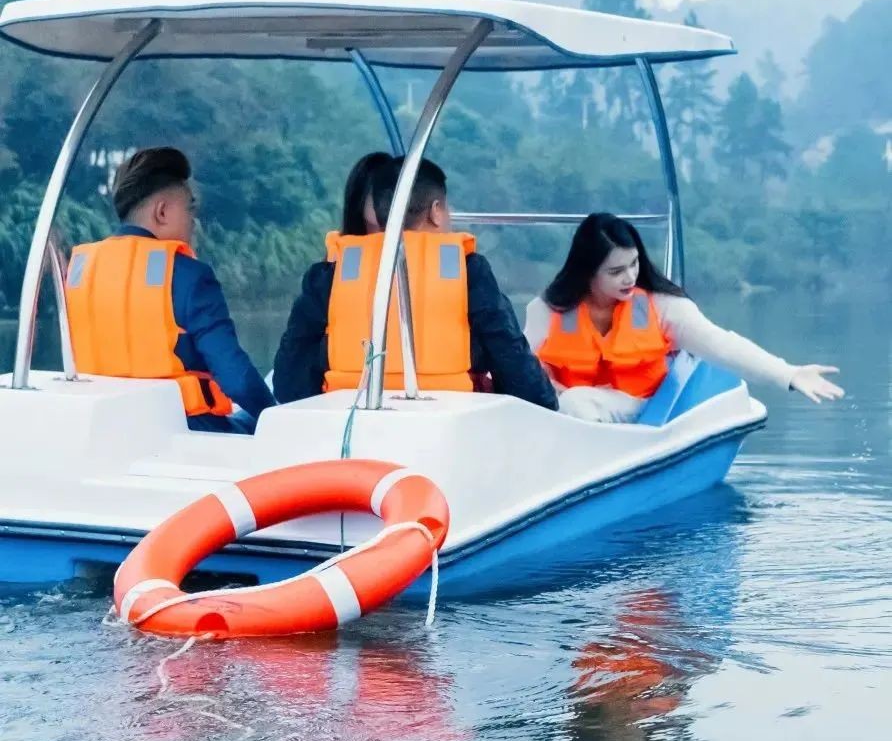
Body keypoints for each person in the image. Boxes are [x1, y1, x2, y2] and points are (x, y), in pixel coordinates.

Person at [273, 154, 558, 408]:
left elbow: (288, 386)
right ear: (436, 211)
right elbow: (520, 375)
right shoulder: (469, 271)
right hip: (449, 427)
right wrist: (545, 397)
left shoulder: (329, 275)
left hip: (349, 425)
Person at [525, 212, 844, 421]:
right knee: (570, 403)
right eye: (616, 271)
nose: (630, 277)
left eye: (634, 264)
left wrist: (788, 374)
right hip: (564, 415)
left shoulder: (661, 306)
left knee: (578, 404)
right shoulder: (548, 309)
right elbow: (521, 365)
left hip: (638, 409)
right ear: (587, 272)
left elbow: (722, 346)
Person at [65, 147, 275, 433]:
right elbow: (237, 379)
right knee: (263, 416)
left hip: (105, 429)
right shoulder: (188, 275)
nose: (194, 221)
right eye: (190, 209)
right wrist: (278, 417)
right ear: (162, 212)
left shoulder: (78, 272)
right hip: (186, 431)